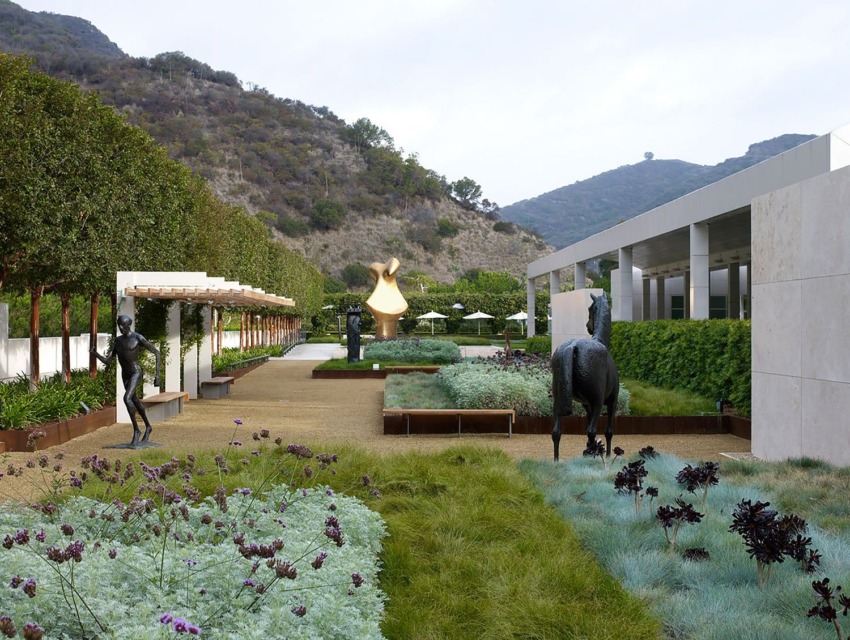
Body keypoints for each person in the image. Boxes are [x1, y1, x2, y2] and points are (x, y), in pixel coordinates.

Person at [91, 315, 161, 447]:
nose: (120, 328)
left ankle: (136, 431)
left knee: (127, 399)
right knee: (135, 401)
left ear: (129, 324)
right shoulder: (118, 341)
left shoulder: (138, 338)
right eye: (119, 325)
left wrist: (158, 376)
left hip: (135, 372)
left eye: (123, 325)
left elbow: (157, 352)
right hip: (125, 374)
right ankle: (148, 426)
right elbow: (108, 361)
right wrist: (95, 354)